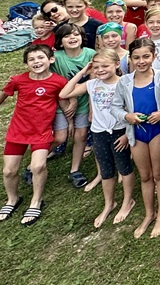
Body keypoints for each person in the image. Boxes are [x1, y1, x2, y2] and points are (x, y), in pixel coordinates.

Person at [0, 43, 68, 227]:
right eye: (31, 59)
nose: (36, 62)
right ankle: (12, 199)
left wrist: (69, 121)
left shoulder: (58, 81)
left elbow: (65, 101)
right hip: (18, 131)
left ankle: (36, 201)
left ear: (51, 60)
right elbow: (4, 93)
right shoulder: (19, 80)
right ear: (26, 64)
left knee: (38, 166)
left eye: (40, 58)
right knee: (9, 171)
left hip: (41, 132)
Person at [60, 49, 136, 229]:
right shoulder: (92, 84)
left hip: (120, 131)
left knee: (124, 168)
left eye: (105, 66)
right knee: (106, 170)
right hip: (99, 132)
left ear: (117, 64)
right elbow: (64, 94)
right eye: (97, 67)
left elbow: (132, 109)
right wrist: (82, 73)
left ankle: (128, 201)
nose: (100, 70)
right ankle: (109, 203)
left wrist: (127, 133)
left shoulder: (125, 83)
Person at [114, 37, 160, 239]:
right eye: (137, 57)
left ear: (154, 56)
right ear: (130, 59)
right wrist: (126, 116)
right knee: (145, 175)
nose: (141, 61)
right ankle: (149, 213)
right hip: (136, 133)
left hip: (156, 131)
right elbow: (115, 107)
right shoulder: (124, 82)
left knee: (159, 173)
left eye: (146, 56)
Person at [51, 22, 93, 186]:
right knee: (60, 137)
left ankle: (75, 170)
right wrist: (69, 106)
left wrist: (90, 107)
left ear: (82, 38)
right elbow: (55, 85)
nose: (72, 38)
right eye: (67, 35)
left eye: (76, 34)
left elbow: (94, 83)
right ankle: (34, 163)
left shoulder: (91, 54)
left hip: (84, 102)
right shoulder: (57, 58)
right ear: (60, 42)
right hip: (63, 103)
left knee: (81, 135)